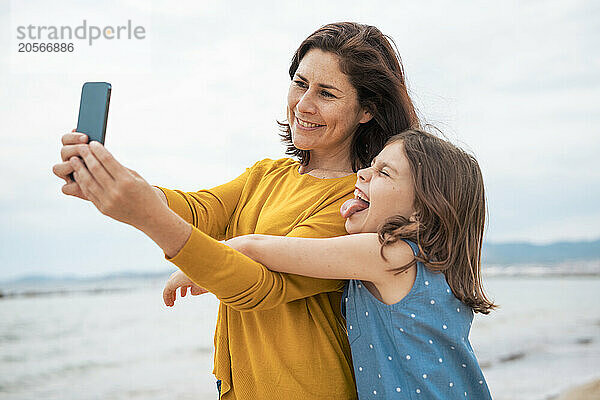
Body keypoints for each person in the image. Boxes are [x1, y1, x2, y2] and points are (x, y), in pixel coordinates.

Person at [52, 22, 418, 399]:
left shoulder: (358, 202)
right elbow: (199, 209)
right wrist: (114, 181)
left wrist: (146, 215)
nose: (304, 105)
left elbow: (258, 286)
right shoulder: (266, 174)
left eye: (326, 93)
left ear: (367, 110)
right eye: (300, 83)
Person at [166, 129, 495, 399]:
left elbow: (267, 249)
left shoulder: (389, 255)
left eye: (384, 172)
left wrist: (200, 264)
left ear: (422, 210)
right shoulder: (434, 266)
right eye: (373, 164)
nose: (363, 173)